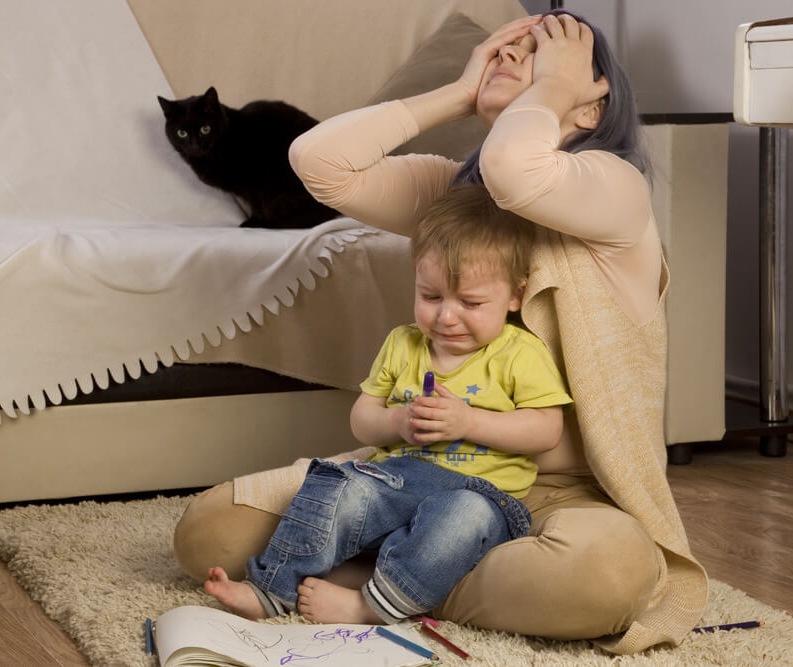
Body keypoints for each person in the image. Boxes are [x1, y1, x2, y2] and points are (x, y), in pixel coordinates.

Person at [174, 10, 708, 654]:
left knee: (607, 574)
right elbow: (316, 161)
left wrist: (554, 87)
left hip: (563, 495)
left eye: (538, 53)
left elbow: (517, 169)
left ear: (590, 103)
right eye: (502, 50)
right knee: (207, 534)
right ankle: (411, 574)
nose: (506, 56)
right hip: (419, 473)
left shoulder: (618, 190)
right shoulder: (457, 198)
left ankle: (387, 579)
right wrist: (460, 91)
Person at [204, 184, 573, 625]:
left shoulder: (520, 352)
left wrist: (469, 422)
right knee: (337, 485)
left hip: (481, 493)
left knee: (461, 517)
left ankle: (370, 606)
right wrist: (397, 421)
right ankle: (270, 591)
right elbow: (363, 420)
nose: (446, 316)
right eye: (431, 296)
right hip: (395, 481)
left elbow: (546, 430)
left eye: (471, 302)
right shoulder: (403, 344)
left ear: (515, 296)